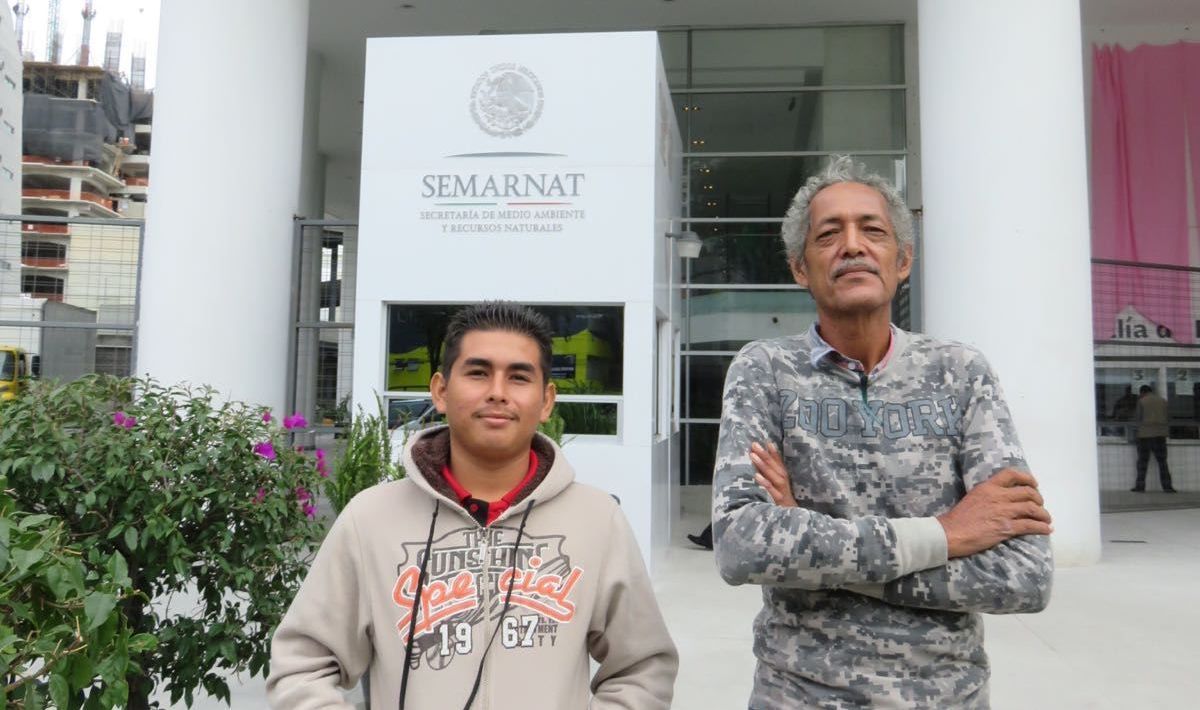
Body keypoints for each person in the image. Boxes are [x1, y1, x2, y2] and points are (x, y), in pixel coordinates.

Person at [712, 156, 1055, 708]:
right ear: (801, 268)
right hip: (799, 694)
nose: (852, 245)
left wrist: (809, 544)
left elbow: (1023, 576)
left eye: (872, 230)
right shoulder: (765, 371)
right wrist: (946, 534)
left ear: (903, 261)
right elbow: (741, 546)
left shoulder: (962, 373)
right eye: (829, 234)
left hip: (945, 696)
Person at [268, 302, 677, 709]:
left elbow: (641, 668)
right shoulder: (370, 519)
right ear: (441, 390)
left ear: (546, 399)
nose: (497, 392)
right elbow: (302, 666)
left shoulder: (597, 520)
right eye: (478, 373)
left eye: (519, 377)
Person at [1131, 384, 1175, 492]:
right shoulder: (1163, 401)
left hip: (1145, 436)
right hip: (1160, 436)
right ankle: (1167, 487)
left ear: (1142, 392)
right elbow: (1169, 417)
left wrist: (1135, 434)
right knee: (1163, 463)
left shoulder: (1142, 401)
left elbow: (1137, 419)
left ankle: (1140, 487)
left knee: (1142, 463)